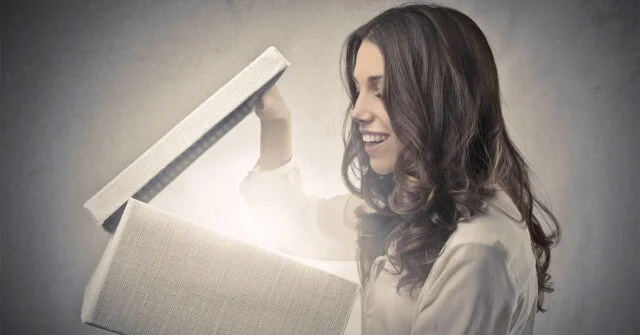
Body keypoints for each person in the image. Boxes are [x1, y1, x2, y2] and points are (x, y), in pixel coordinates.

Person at [240, 2, 560, 334]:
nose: (358, 111)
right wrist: (276, 123)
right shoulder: (416, 198)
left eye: (381, 91)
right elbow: (297, 226)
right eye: (359, 89)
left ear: (439, 100)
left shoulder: (477, 252)